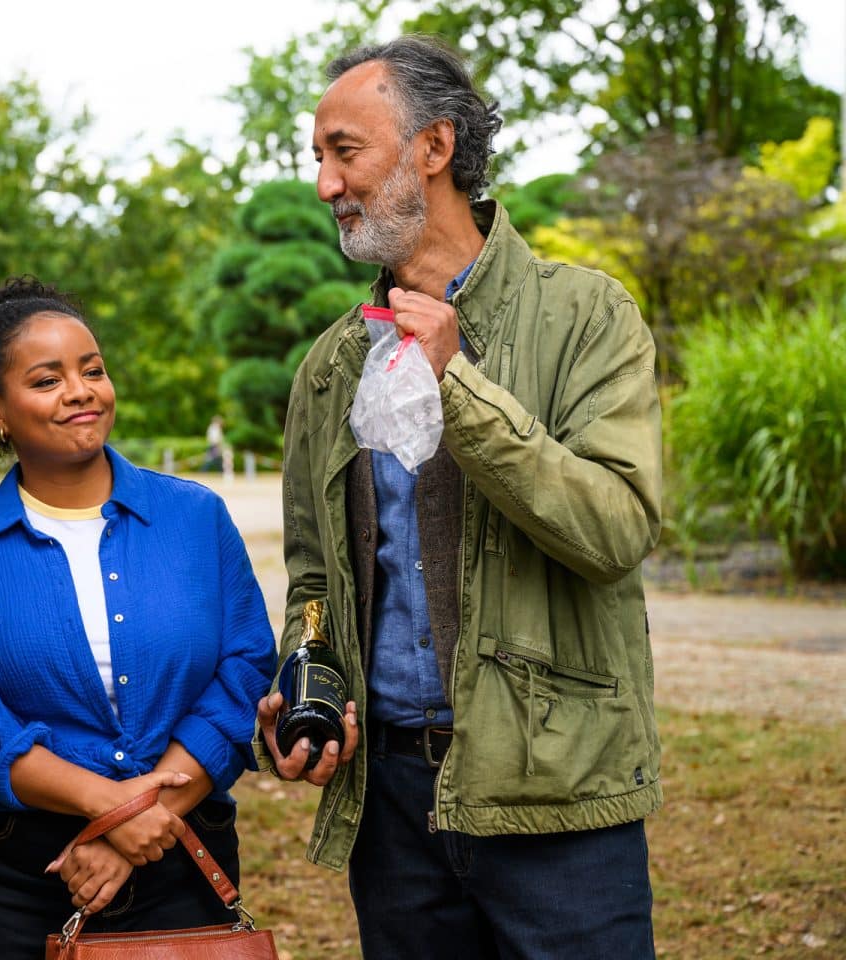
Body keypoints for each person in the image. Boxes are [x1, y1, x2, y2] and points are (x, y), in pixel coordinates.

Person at [254, 36, 663, 959]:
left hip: (555, 795)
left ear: (433, 148)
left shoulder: (587, 315)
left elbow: (615, 529)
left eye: (344, 151)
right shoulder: (332, 366)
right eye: (318, 157)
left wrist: (459, 388)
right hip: (392, 802)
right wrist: (306, 675)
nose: (325, 184)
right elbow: (315, 576)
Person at [0, 277, 276, 959]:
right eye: (48, 380)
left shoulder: (196, 518)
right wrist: (110, 810)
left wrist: (144, 818)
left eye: (93, 370)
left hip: (182, 848)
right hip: (16, 875)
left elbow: (246, 667)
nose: (81, 391)